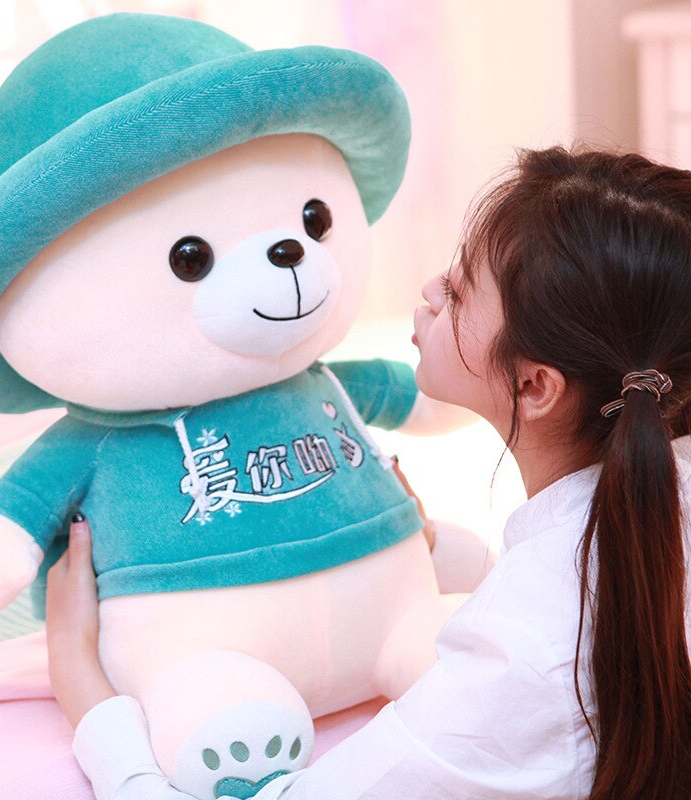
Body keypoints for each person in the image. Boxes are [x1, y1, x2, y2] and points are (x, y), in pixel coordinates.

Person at [46, 146, 691, 799]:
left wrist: (83, 684)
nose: (432, 288)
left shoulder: (512, 660)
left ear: (534, 387)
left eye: (460, 291)